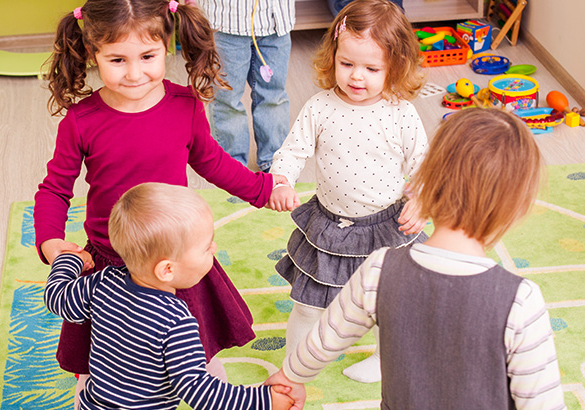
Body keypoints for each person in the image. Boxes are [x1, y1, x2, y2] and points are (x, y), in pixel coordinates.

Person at [34, 0, 289, 406]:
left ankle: (206, 384)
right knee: (106, 348)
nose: (135, 73)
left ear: (166, 48)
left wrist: (263, 189)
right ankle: (97, 390)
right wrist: (50, 242)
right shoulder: (81, 120)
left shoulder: (184, 104)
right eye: (117, 59)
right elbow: (54, 189)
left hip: (176, 251)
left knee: (193, 343)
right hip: (110, 259)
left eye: (148, 56)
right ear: (93, 54)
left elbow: (212, 162)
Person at [266, 108, 567, 409]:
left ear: (426, 180)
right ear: (515, 208)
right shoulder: (521, 300)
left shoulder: (380, 269)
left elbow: (327, 336)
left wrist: (290, 377)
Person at [267, 0, 428, 384]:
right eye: (347, 64)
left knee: (387, 304)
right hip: (329, 226)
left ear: (395, 66)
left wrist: (422, 200)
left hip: (387, 227)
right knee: (307, 303)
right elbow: (292, 151)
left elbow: (424, 166)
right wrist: (281, 180)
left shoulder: (400, 112)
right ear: (333, 56)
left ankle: (383, 359)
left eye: (372, 68)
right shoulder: (319, 106)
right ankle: (295, 365)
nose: (357, 77)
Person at [44, 183, 304, 410]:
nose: (214, 248)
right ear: (167, 269)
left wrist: (68, 260)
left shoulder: (103, 282)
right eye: (206, 247)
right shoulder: (176, 321)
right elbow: (199, 391)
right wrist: (263, 401)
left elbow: (56, 296)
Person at [188, 0, 294, 172]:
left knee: (274, 97)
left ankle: (275, 164)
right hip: (226, 21)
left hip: (277, 20)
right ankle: (233, 168)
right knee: (226, 99)